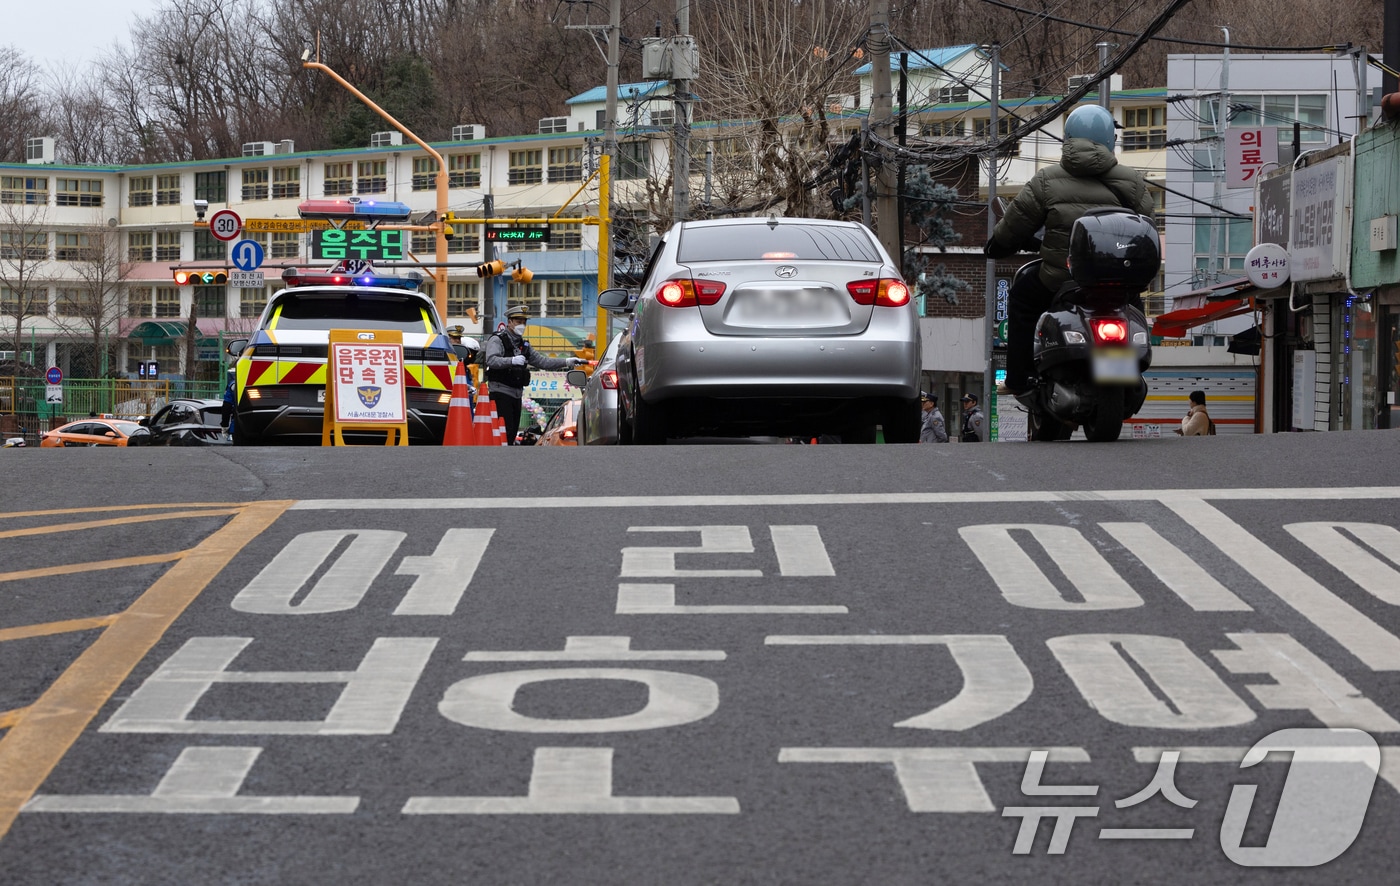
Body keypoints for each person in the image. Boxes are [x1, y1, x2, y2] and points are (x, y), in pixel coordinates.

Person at [984, 104, 1156, 396]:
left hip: (1060, 279)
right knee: (1133, 308)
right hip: (1117, 284)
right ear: (1109, 140)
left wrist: (996, 246)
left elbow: (1013, 226)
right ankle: (1130, 367)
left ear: (1068, 139)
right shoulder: (1133, 182)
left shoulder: (1046, 180)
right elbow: (1147, 230)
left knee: (1023, 298)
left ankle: (1018, 378)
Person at [482, 304, 586, 444]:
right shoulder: (498, 339)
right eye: (518, 321)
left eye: (524, 322)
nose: (522, 325)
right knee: (504, 432)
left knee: (512, 433)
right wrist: (511, 360)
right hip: (500, 392)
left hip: (516, 393)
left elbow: (543, 362)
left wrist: (567, 361)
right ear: (510, 322)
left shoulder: (524, 345)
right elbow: (491, 360)